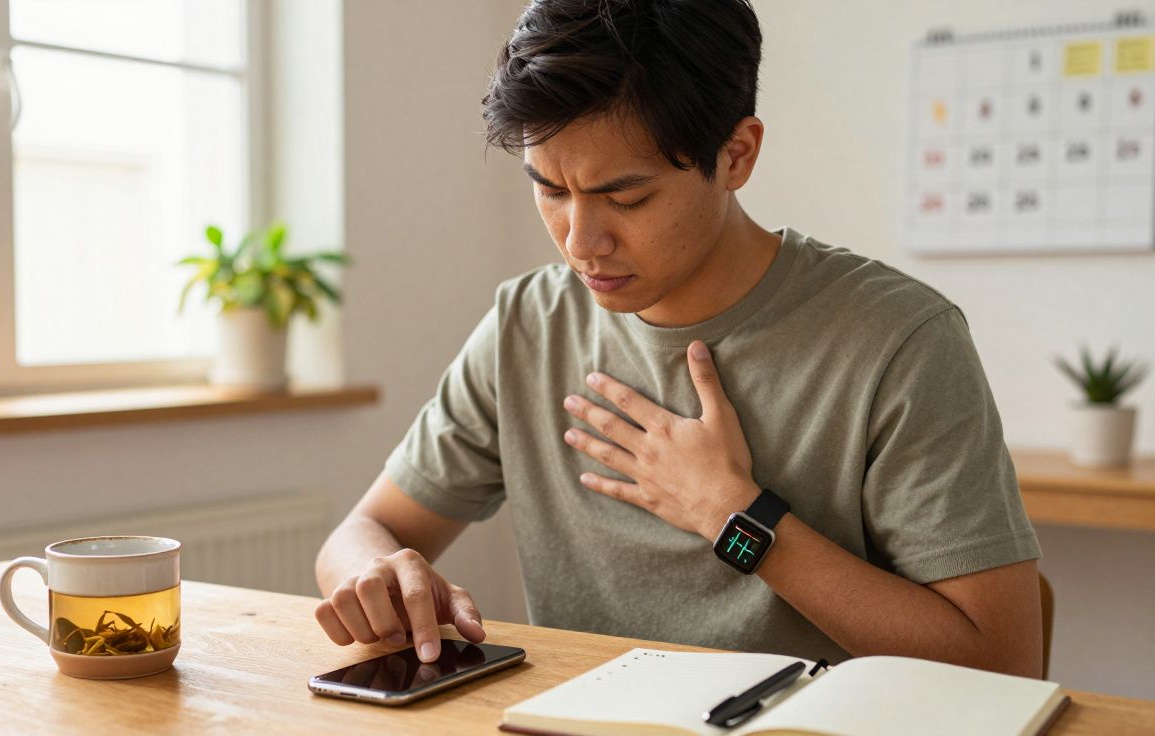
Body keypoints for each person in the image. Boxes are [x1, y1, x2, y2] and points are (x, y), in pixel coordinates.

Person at [314, 0, 1043, 678]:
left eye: (625, 197)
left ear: (737, 155)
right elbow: (364, 530)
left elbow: (1002, 664)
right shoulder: (526, 326)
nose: (581, 241)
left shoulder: (899, 341)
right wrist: (378, 573)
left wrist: (736, 517)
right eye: (549, 189)